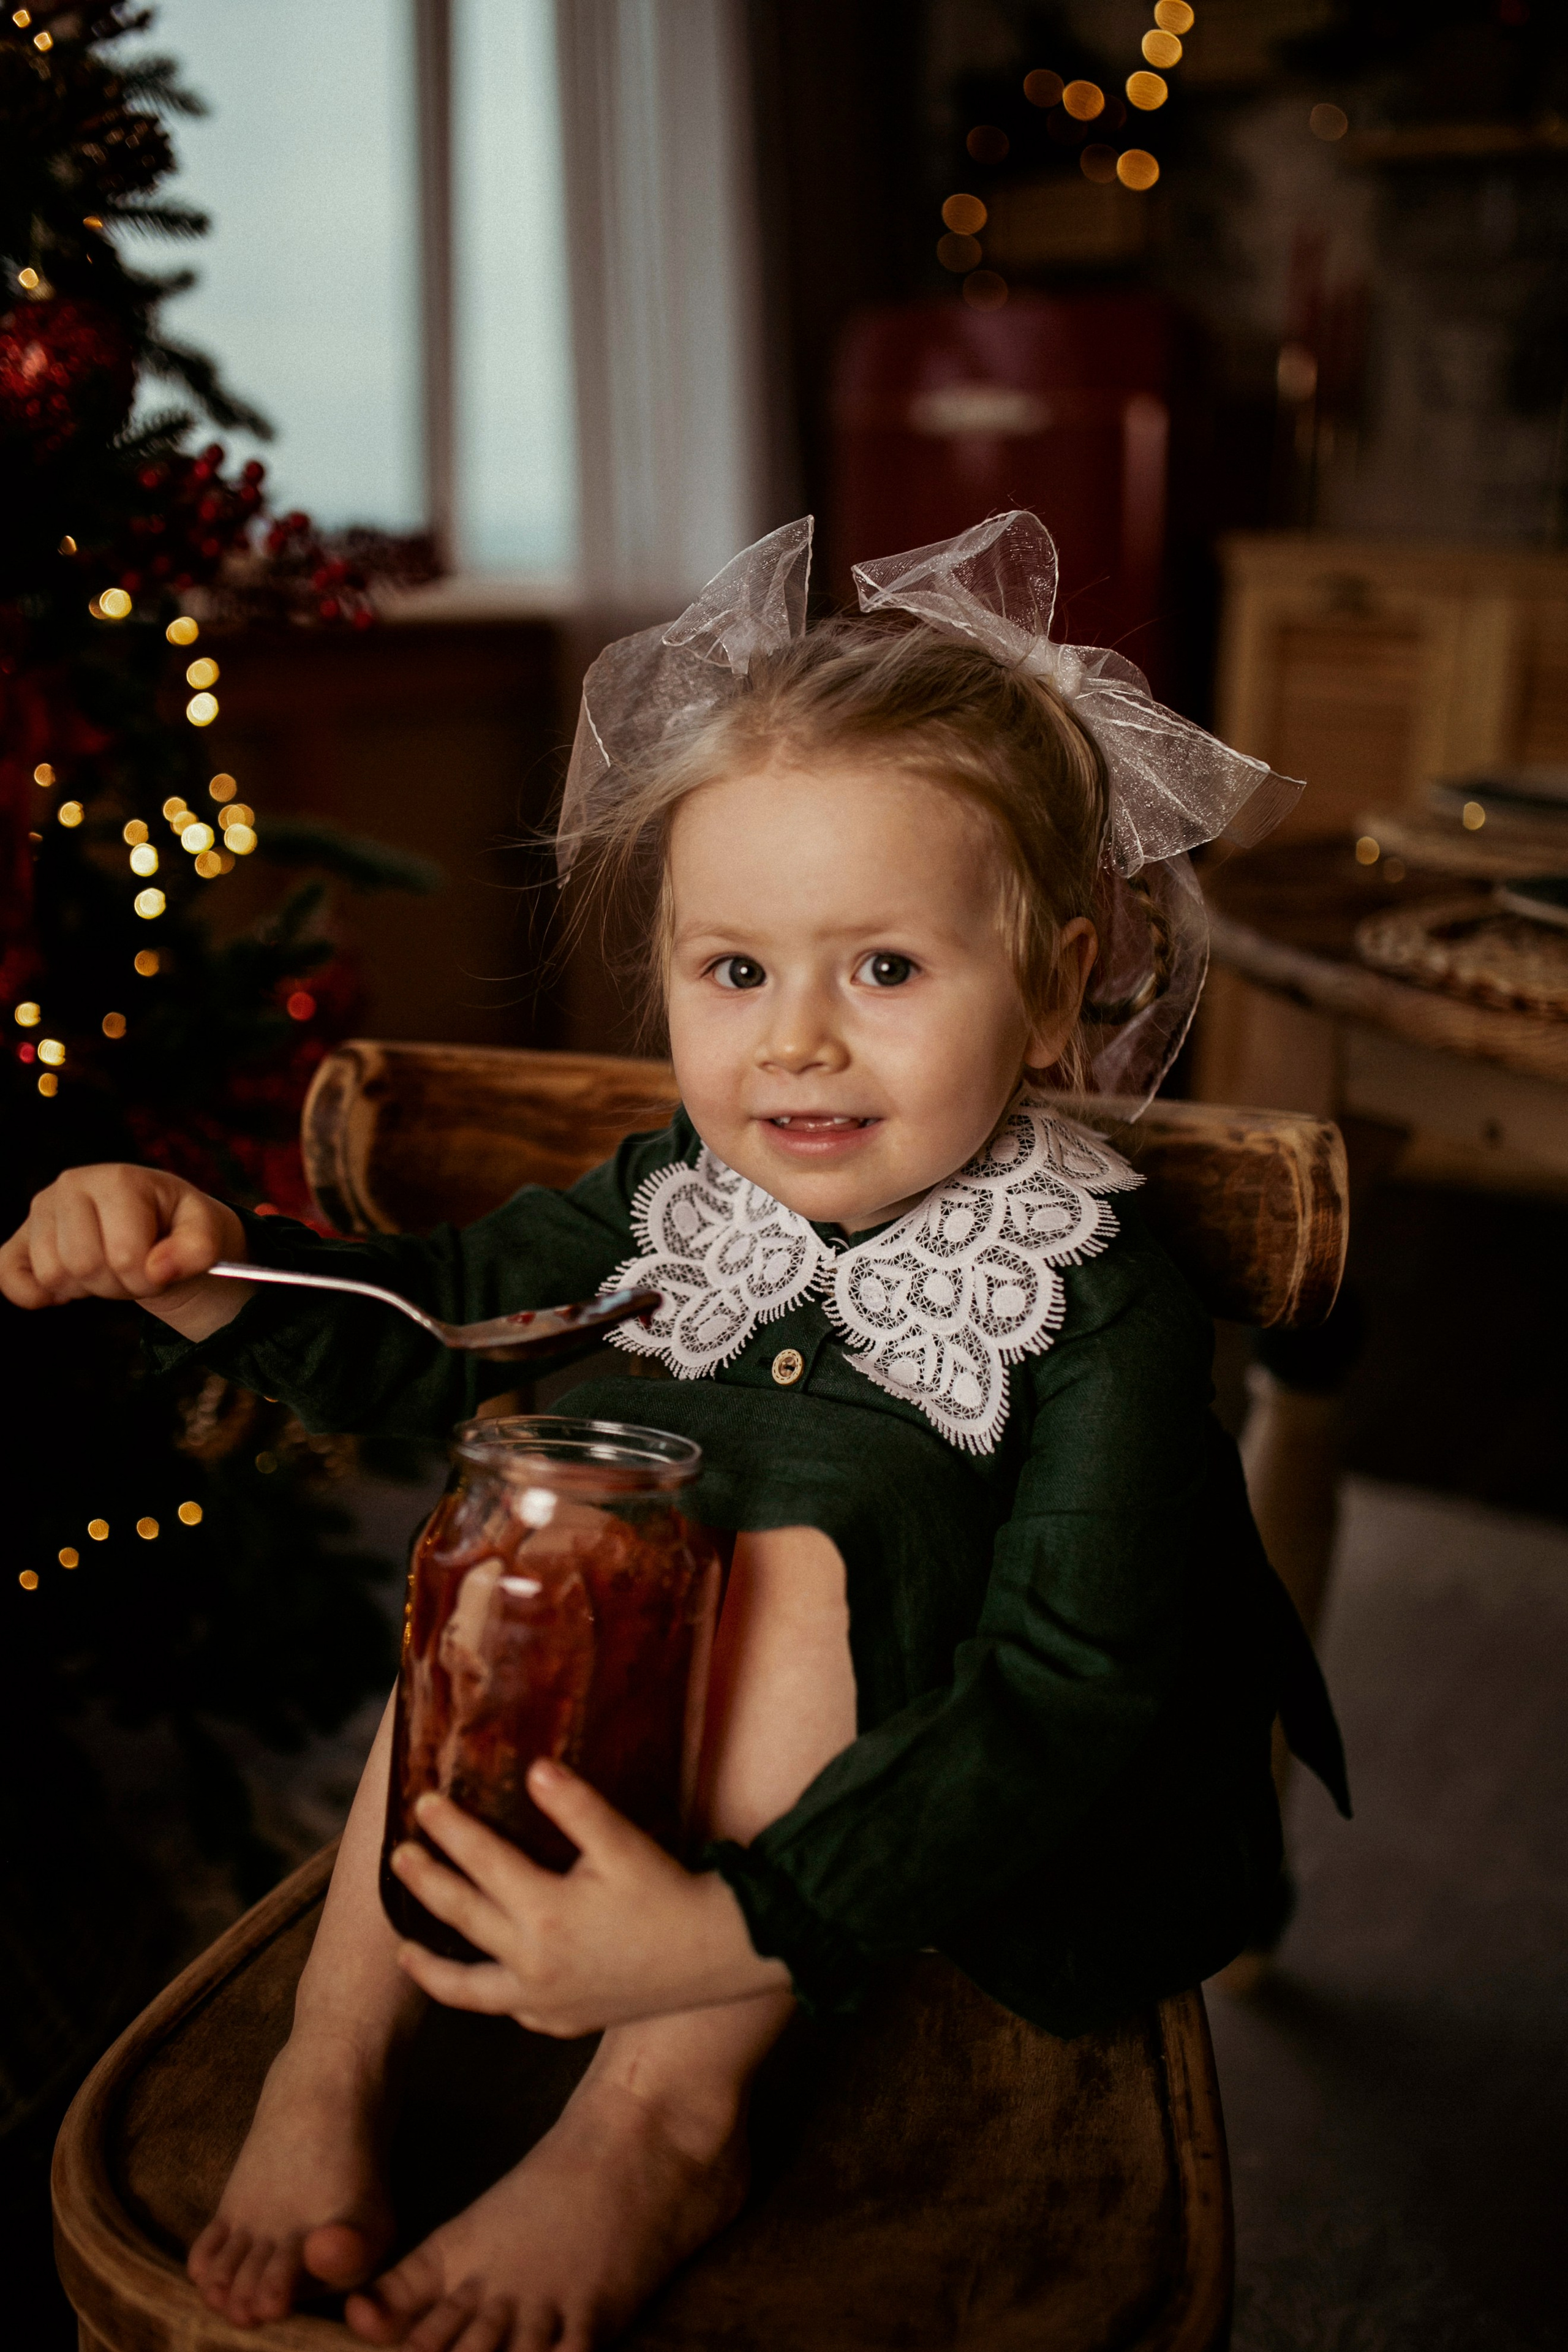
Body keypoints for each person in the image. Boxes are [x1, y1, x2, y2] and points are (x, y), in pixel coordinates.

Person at [2, 513, 1347, 2352]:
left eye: (883, 971)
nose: (796, 1045)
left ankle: (660, 2118)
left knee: (813, 1519)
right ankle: (341, 2047)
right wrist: (201, 1271)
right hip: (643, 1740)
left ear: (1051, 986)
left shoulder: (1096, 1289)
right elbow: (432, 1332)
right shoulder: (671, 1196)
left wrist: (729, 1936)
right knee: (526, 1523)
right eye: (735, 974)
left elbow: (1070, 1694)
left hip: (978, 1814)